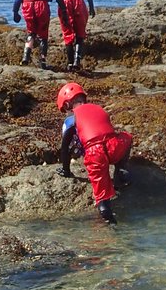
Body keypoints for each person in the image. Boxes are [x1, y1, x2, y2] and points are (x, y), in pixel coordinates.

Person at [56, 82, 132, 225]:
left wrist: (66, 170)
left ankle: (111, 227)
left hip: (95, 154)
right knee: (126, 137)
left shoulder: (71, 119)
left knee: (103, 199)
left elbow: (65, 148)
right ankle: (120, 172)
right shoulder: (98, 108)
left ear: (67, 105)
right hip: (114, 147)